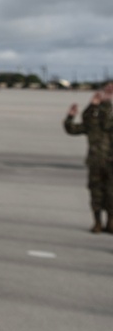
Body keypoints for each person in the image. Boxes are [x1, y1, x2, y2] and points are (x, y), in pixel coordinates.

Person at [64, 85, 113, 233]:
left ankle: (110, 223)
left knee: (111, 193)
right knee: (95, 193)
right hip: (95, 162)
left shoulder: (108, 120)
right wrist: (71, 116)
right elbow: (72, 129)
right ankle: (97, 222)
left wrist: (104, 103)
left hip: (111, 162)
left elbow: (107, 122)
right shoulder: (93, 125)